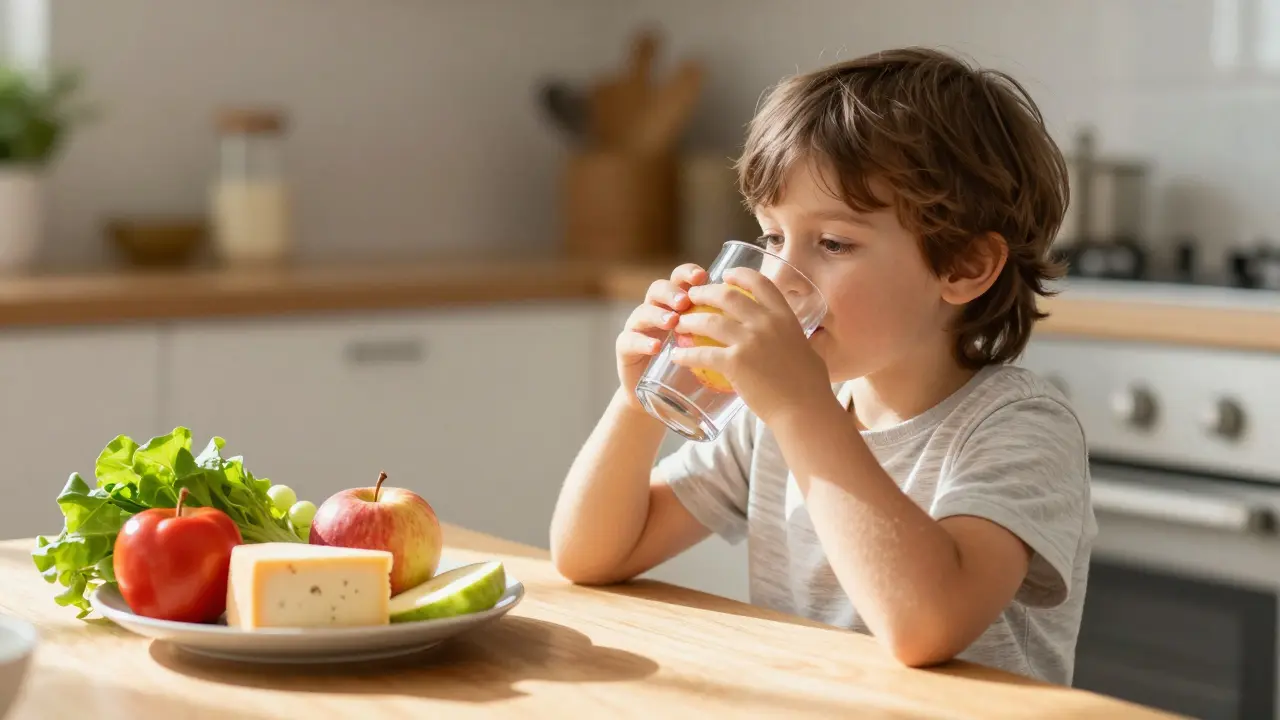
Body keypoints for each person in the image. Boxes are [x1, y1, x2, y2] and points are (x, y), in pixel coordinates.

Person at [548, 46, 1096, 687]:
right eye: (773, 237)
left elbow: (927, 626)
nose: (779, 277)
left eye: (833, 243)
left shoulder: (1019, 428)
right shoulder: (771, 417)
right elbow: (589, 555)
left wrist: (799, 406)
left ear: (964, 266)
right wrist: (639, 400)